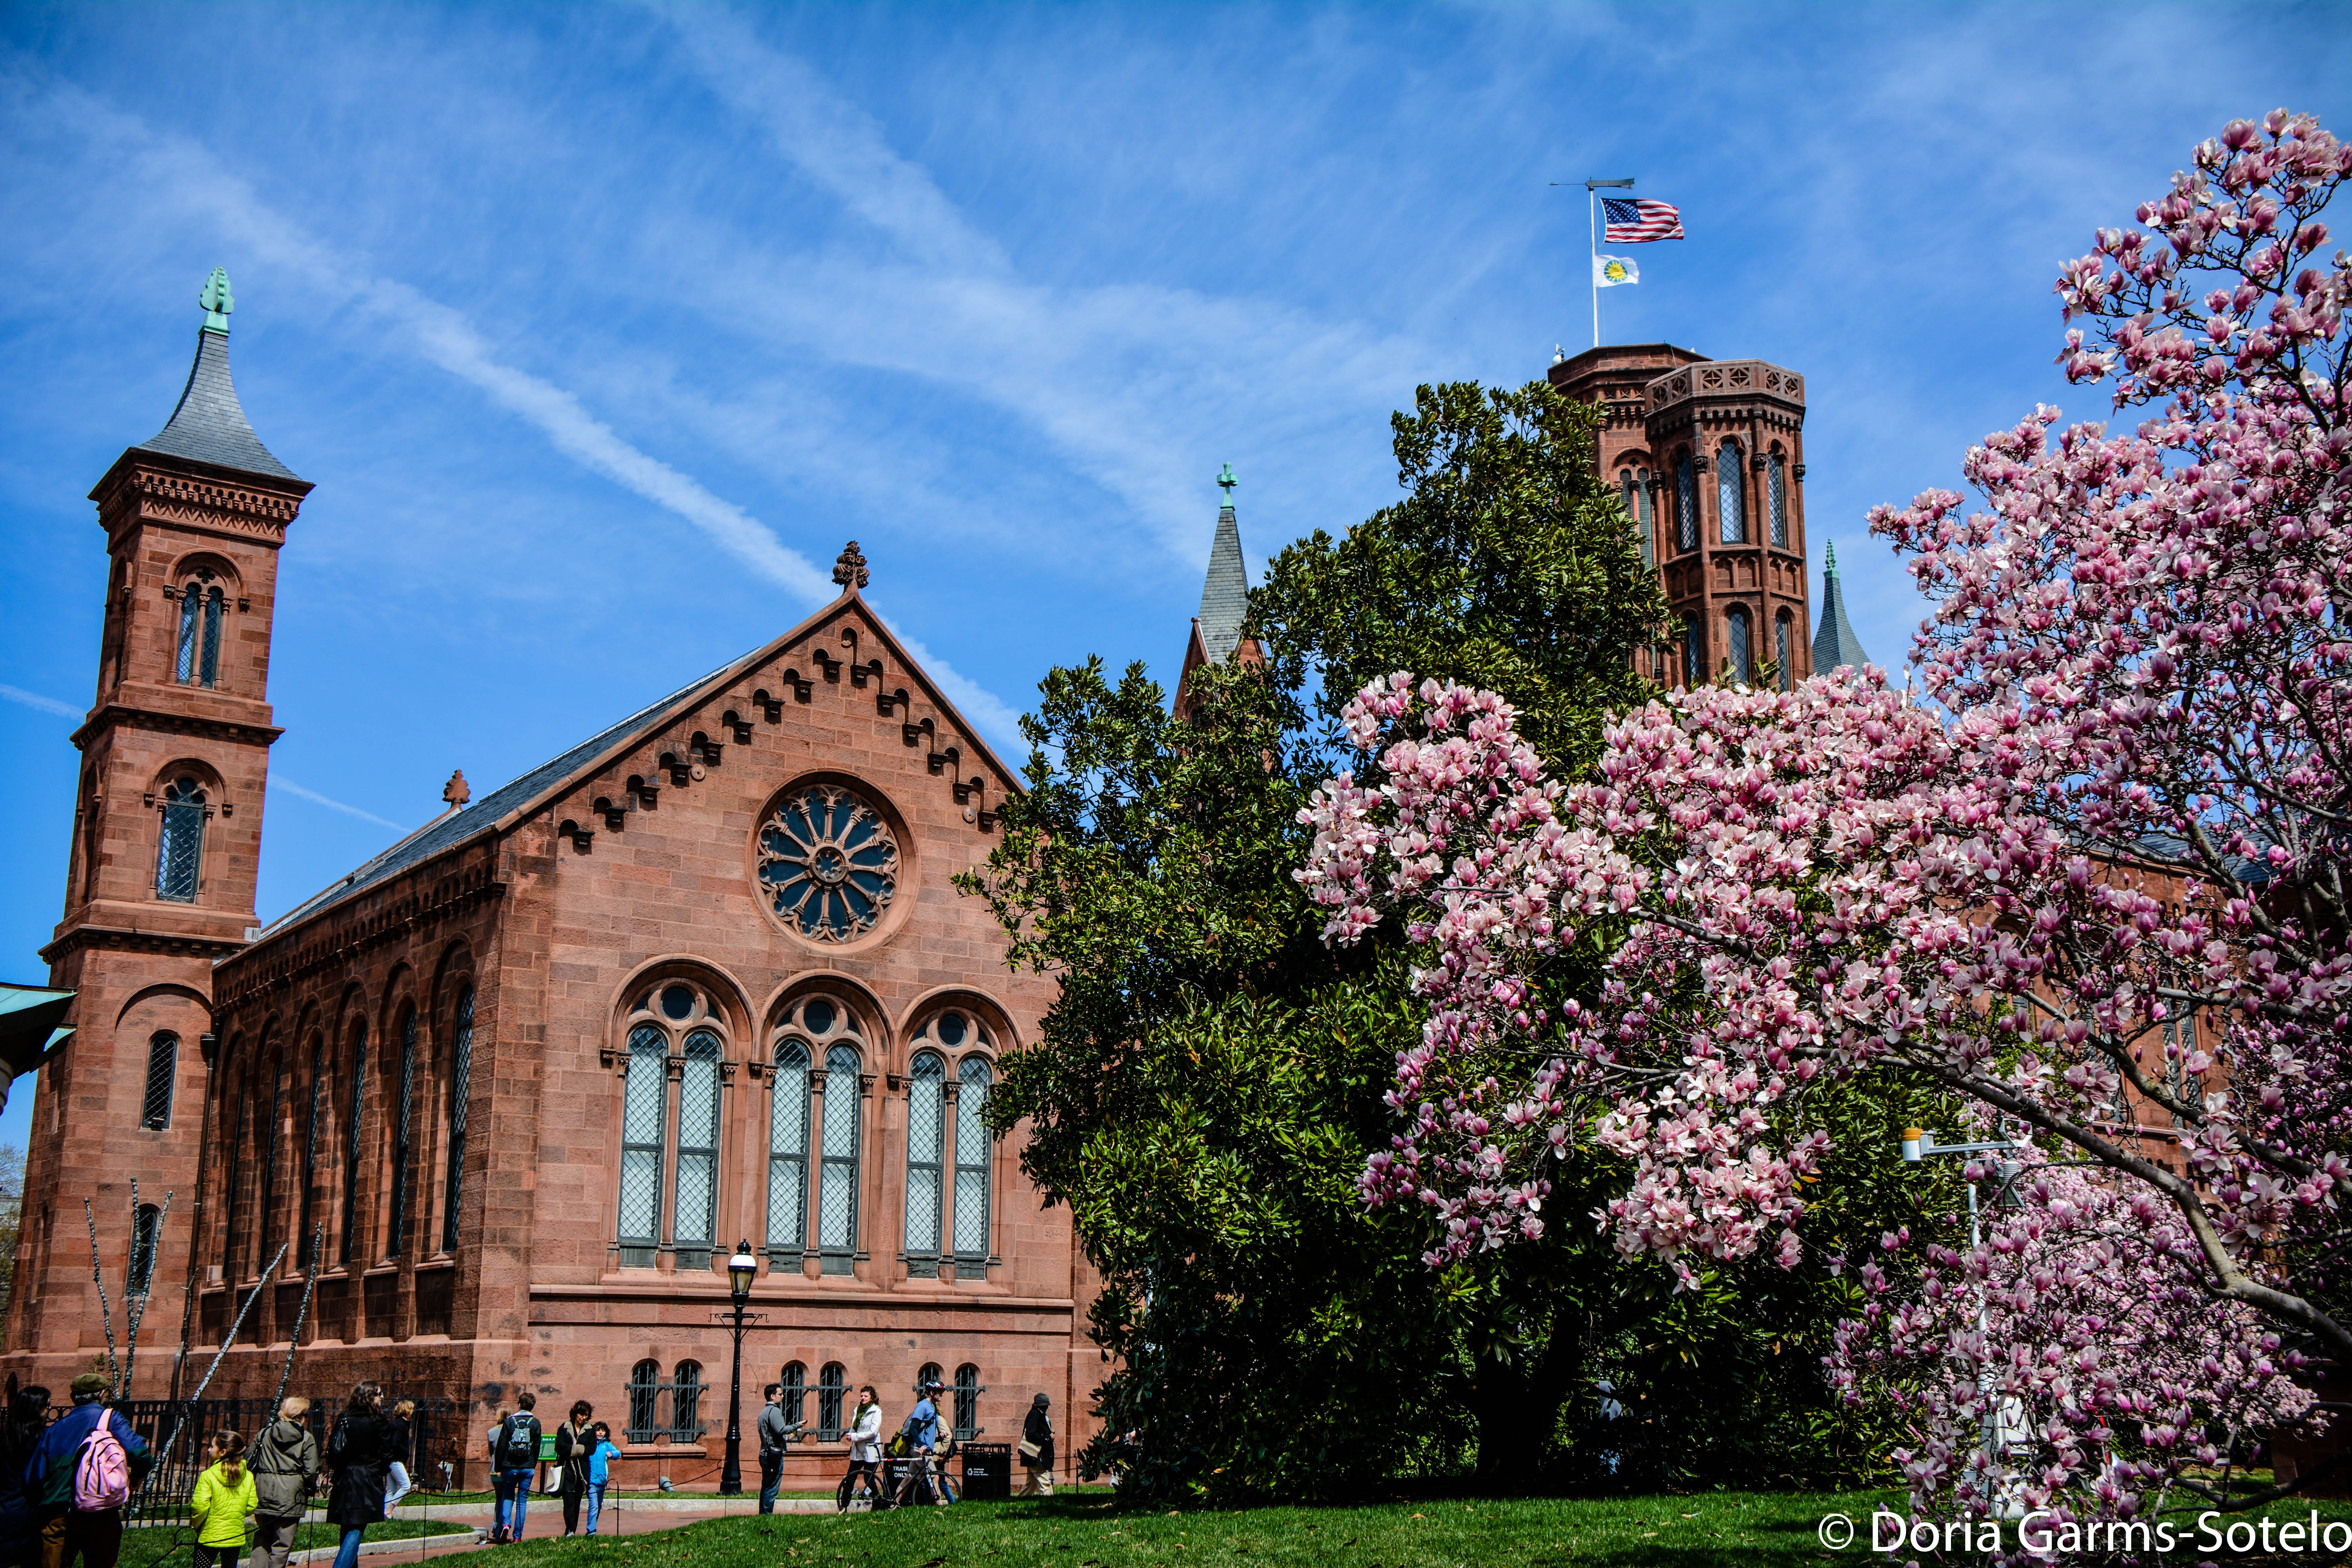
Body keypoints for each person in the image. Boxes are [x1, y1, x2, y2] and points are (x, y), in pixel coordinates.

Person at [26, 1371, 151, 1568]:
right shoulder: (111, 1420)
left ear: (74, 1398)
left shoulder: (56, 1429)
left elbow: (34, 1476)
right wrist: (137, 1475)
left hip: (58, 1514)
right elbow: (140, 1453)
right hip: (100, 1512)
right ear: (102, 1395)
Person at [323, 1383, 393, 1568]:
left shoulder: (344, 1418)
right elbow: (387, 1455)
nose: (383, 1397)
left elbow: (333, 1450)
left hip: (344, 1477)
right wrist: (381, 1472)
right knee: (357, 1528)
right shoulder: (379, 1421)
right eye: (379, 1393)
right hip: (368, 1477)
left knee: (348, 1527)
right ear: (370, 1397)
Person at [244, 1397, 319, 1568]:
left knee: (263, 1537)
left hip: (262, 1491)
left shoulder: (264, 1434)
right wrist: (310, 1487)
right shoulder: (306, 1439)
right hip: (291, 1496)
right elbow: (311, 1471)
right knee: (282, 1544)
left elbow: (248, 1459)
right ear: (300, 1416)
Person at [0, 1385, 53, 1568]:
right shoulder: (45, 1438)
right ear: (36, 1409)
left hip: (6, 1505)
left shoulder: (5, 1435)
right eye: (48, 1405)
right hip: (34, 1508)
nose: (50, 1409)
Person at [187, 1431, 257, 1568]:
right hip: (234, 1536)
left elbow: (200, 1507)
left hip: (209, 1536)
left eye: (212, 1446)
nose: (209, 1449)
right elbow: (251, 1505)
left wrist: (196, 1525)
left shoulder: (208, 1475)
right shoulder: (248, 1476)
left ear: (223, 1452)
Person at [487, 1392, 542, 1544]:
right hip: (527, 1467)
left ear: (519, 1404)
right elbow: (537, 1447)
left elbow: (502, 1445)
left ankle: (506, 1523)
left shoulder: (510, 1422)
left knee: (508, 1495)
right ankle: (517, 1536)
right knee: (522, 1500)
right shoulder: (536, 1423)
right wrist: (533, 1463)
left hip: (509, 1466)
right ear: (533, 1406)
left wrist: (498, 1467)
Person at [890, 1379, 947, 1509]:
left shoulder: (932, 1407)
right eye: (940, 1392)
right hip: (920, 1450)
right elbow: (913, 1429)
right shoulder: (922, 1407)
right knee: (935, 1476)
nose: (942, 1395)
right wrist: (921, 1445)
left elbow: (926, 1432)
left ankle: (894, 1504)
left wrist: (938, 1438)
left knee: (909, 1478)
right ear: (932, 1393)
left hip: (924, 1448)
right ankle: (940, 1506)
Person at [754, 1386, 801, 1515]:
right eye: (780, 1394)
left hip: (765, 1453)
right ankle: (767, 1516)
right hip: (773, 1455)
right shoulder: (774, 1411)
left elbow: (773, 1433)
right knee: (772, 1487)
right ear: (772, 1396)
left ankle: (763, 1515)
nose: (783, 1396)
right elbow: (781, 1429)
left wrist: (787, 1438)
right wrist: (797, 1425)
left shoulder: (764, 1412)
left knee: (767, 1486)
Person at [837, 1388, 883, 1513]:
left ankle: (878, 1503)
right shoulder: (858, 1410)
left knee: (869, 1479)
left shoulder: (876, 1411)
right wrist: (851, 1436)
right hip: (858, 1450)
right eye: (862, 1396)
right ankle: (844, 1506)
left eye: (866, 1396)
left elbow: (873, 1432)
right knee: (850, 1478)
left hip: (870, 1449)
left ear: (872, 1398)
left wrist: (855, 1437)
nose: (863, 1398)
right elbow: (854, 1428)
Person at [552, 1403, 593, 1537]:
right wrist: (574, 1450)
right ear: (575, 1414)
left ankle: (573, 1529)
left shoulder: (590, 1429)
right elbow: (559, 1446)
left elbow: (591, 1449)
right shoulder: (564, 1428)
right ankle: (569, 1529)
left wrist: (578, 1450)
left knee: (577, 1503)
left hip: (582, 1473)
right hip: (568, 1470)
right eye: (581, 1414)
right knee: (568, 1502)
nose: (583, 1418)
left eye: (586, 1415)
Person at [581, 1424, 621, 1537]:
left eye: (603, 1431)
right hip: (592, 1482)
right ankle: (591, 1531)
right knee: (594, 1505)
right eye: (598, 1430)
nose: (600, 1433)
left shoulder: (607, 1445)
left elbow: (618, 1453)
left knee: (598, 1506)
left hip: (602, 1482)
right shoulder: (591, 1445)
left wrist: (613, 1454)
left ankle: (593, 1526)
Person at [1018, 1394, 1056, 1498]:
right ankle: (1050, 1504)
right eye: (1046, 1405)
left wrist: (1048, 1433)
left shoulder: (1039, 1414)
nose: (1047, 1407)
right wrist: (1048, 1437)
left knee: (1031, 1484)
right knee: (1045, 1482)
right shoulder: (1035, 1415)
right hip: (1036, 1456)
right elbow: (1031, 1434)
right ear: (1041, 1406)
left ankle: (1022, 1500)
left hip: (1034, 1456)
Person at [379, 1401, 413, 1516]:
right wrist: (406, 1452)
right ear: (407, 1411)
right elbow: (395, 1443)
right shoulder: (400, 1425)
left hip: (391, 1460)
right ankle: (389, 1510)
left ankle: (385, 1514)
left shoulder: (398, 1423)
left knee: (392, 1489)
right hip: (395, 1461)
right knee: (406, 1485)